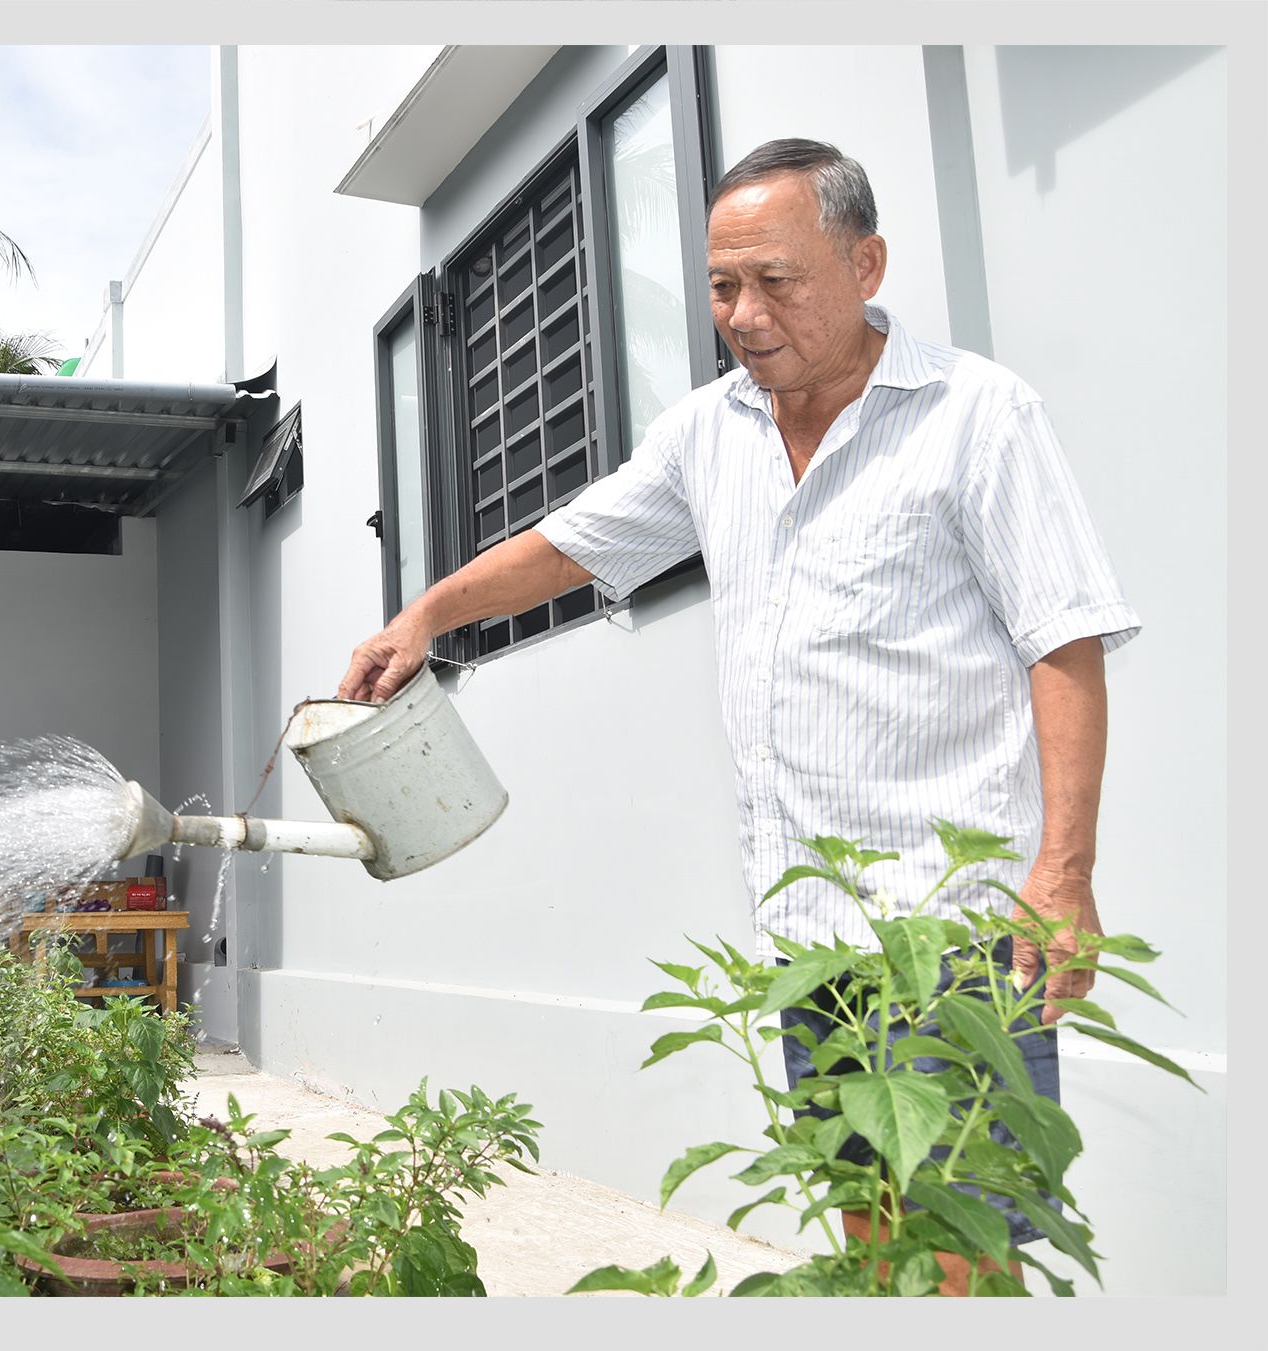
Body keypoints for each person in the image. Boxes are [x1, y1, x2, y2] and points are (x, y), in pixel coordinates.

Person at [336, 139, 1139, 1295]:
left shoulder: (976, 415)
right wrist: (424, 615)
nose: (744, 316)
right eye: (721, 286)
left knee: (960, 1249)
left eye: (776, 281)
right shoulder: (707, 432)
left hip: (952, 928)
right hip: (805, 933)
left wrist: (1062, 873)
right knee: (866, 1231)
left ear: (863, 264)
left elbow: (1062, 642)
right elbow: (569, 543)